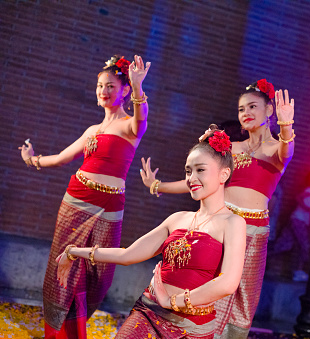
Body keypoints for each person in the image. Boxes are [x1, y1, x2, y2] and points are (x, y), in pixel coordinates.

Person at [140, 79, 295, 338]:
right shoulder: (231, 149)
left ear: (270, 111)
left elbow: (286, 150)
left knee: (243, 302)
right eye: (241, 109)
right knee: (209, 287)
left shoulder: (275, 149)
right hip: (221, 227)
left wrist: (286, 124)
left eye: (253, 107)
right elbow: (201, 178)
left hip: (254, 235)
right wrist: (158, 185)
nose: (245, 113)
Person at [56, 127, 246, 338]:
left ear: (224, 174)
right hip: (149, 312)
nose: (192, 178)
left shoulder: (233, 223)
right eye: (188, 171)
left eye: (200, 170)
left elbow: (228, 283)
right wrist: (73, 251)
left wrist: (172, 301)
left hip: (191, 329)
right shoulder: (177, 219)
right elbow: (128, 255)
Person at [19, 54, 151, 338]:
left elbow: (142, 118)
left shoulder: (130, 126)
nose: (103, 91)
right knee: (63, 267)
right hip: (75, 201)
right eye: (100, 86)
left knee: (99, 274)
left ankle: (75, 324)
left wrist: (139, 86)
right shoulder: (92, 130)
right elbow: (62, 158)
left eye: (111, 86)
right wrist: (33, 160)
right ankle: (60, 333)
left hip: (110, 206)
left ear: (124, 89)